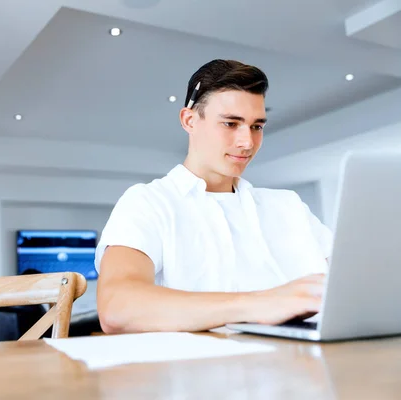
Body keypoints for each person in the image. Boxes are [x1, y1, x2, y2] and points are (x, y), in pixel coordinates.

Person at [95, 59, 332, 334]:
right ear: (189, 120)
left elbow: (353, 286)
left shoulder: (289, 205)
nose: (247, 142)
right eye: (231, 123)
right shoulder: (148, 203)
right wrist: (259, 304)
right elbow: (117, 308)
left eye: (257, 126)